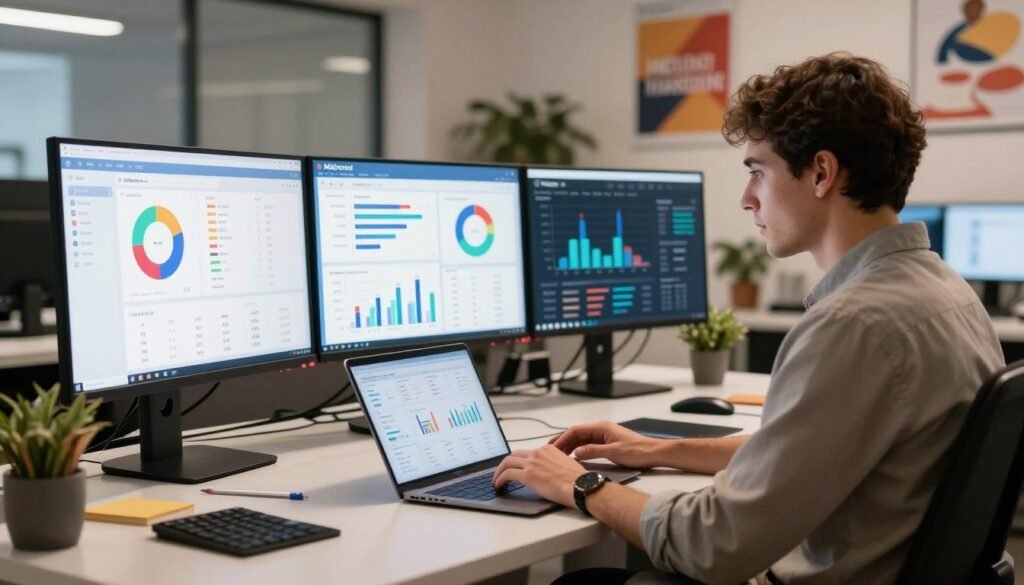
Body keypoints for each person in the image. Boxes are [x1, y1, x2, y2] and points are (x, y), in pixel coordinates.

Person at [493, 52, 1005, 584]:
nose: (746, 198)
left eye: (758, 172)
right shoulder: (948, 293)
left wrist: (581, 486)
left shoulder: (853, 325)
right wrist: (657, 449)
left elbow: (716, 545)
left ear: (822, 173)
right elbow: (809, 454)